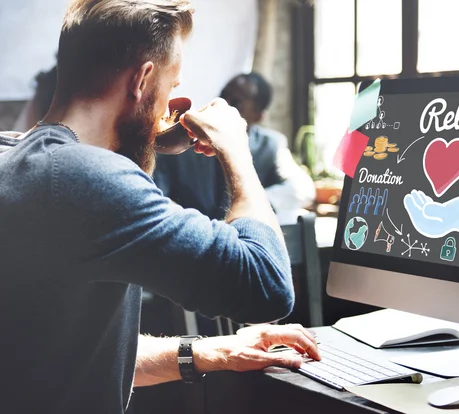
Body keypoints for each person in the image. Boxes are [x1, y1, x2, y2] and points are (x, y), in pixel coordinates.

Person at [0, 1, 319, 413]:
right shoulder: (87, 177)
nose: (168, 105)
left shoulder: (16, 156)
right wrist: (237, 151)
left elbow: (66, 354)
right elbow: (267, 285)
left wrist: (214, 351)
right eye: (171, 87)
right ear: (143, 79)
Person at [153, 72, 316, 223]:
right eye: (223, 95)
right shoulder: (182, 142)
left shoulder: (271, 145)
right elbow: (156, 195)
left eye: (237, 102)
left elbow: (302, 188)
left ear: (258, 116)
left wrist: (250, 205)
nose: (224, 104)